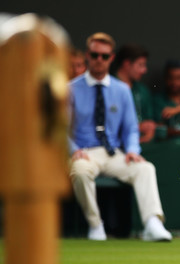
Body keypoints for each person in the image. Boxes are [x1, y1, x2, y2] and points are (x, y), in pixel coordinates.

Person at [68, 32, 172, 241]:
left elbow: (131, 129)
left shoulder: (122, 90)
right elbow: (60, 129)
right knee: (79, 171)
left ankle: (153, 223)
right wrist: (73, 150)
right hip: (84, 153)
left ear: (111, 58)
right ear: (88, 55)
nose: (99, 60)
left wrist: (133, 150)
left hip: (113, 153)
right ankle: (95, 225)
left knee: (145, 168)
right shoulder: (70, 89)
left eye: (104, 56)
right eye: (95, 55)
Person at [113, 43, 156, 143]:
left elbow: (149, 121)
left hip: (143, 146)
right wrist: (137, 127)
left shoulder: (142, 90)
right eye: (140, 65)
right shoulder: (108, 87)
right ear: (127, 64)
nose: (144, 70)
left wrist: (150, 130)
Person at [152, 59, 180, 141]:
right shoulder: (157, 100)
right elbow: (159, 130)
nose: (174, 82)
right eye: (171, 78)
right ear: (165, 79)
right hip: (165, 147)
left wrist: (176, 110)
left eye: (178, 78)